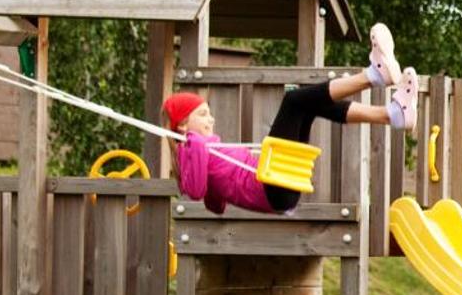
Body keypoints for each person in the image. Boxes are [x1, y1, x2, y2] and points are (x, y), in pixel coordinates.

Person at [169, 22, 418, 216]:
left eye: (209, 113)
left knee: (309, 104)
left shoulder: (205, 152)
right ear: (181, 124)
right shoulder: (190, 152)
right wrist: (192, 144)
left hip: (280, 188)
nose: (210, 120)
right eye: (202, 114)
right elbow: (194, 191)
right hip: (273, 188)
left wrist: (220, 185)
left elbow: (215, 205)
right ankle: (372, 75)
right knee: (293, 100)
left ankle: (392, 114)